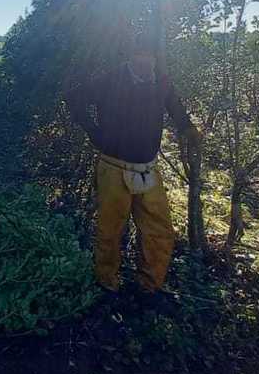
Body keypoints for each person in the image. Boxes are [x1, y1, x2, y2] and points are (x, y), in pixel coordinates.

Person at [65, 29, 201, 298]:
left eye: (150, 55)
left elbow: (174, 106)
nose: (145, 60)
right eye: (140, 54)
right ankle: (106, 283)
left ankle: (149, 285)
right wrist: (94, 133)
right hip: (113, 167)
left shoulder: (160, 81)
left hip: (148, 168)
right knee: (110, 230)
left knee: (159, 230)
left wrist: (188, 129)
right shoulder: (111, 79)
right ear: (131, 55)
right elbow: (75, 98)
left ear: (155, 57)